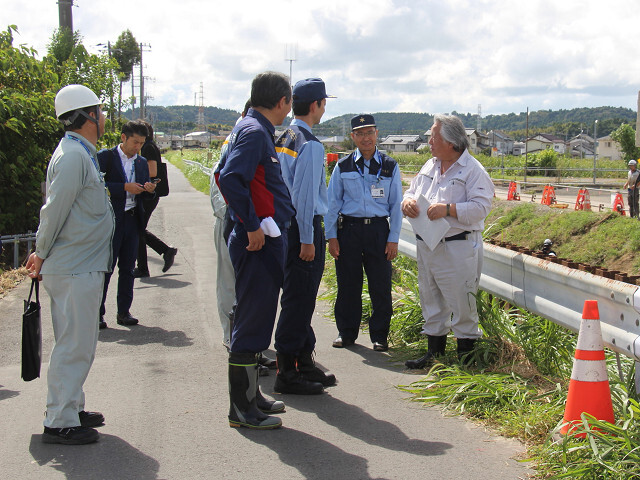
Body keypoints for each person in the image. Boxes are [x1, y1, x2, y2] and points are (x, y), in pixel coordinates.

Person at [26, 84, 115, 444]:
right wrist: (41, 250)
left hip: (82, 263)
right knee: (73, 345)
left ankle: (72, 406)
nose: (104, 116)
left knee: (78, 342)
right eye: (100, 110)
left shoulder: (80, 152)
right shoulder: (73, 156)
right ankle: (59, 420)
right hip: (74, 265)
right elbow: (55, 210)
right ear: (88, 116)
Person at [217, 71, 296, 429]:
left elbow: (225, 173)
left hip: (261, 236)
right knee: (251, 321)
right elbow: (230, 177)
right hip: (257, 240)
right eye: (289, 101)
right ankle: (241, 408)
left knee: (257, 317)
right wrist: (250, 224)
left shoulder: (250, 128)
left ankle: (252, 397)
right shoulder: (253, 132)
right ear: (282, 102)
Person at [403, 114, 494, 369]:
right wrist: (407, 202)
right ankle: (435, 356)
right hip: (428, 244)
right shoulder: (430, 166)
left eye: (434, 136)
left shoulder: (473, 170)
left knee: (462, 304)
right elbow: (412, 191)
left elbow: (481, 207)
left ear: (451, 142)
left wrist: (449, 209)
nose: (429, 141)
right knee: (430, 299)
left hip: (458, 246)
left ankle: (466, 362)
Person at [273, 78, 336, 394]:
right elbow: (306, 198)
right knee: (299, 301)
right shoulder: (310, 144)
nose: (324, 109)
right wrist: (309, 239)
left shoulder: (285, 136)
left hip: (287, 228)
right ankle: (287, 371)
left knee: (298, 298)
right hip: (303, 228)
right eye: (324, 103)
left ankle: (303, 361)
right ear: (316, 106)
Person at [325, 114, 403, 352]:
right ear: (353, 137)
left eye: (369, 132)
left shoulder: (390, 166)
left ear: (377, 134)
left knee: (380, 285)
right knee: (348, 284)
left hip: (379, 230)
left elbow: (396, 206)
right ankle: (346, 333)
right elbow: (332, 203)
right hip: (348, 229)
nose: (366, 138)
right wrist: (332, 237)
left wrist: (393, 239)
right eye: (360, 134)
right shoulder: (343, 165)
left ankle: (379, 336)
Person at [98, 120, 156, 329]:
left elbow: (145, 192)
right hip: (111, 219)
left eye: (141, 143)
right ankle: (98, 313)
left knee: (128, 268)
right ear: (123, 138)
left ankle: (124, 312)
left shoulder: (141, 163)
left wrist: (148, 189)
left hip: (132, 218)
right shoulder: (106, 157)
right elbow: (96, 185)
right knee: (106, 267)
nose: (137, 147)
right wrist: (124, 187)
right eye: (134, 142)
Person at [132, 121, 177, 278]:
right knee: (138, 229)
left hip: (149, 194)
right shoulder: (148, 146)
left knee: (137, 230)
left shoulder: (148, 147)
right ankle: (164, 252)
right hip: (148, 194)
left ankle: (144, 267)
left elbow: (152, 171)